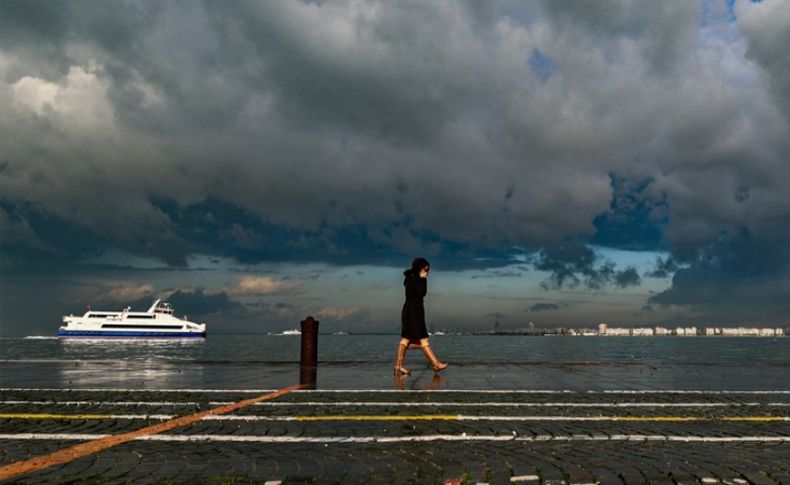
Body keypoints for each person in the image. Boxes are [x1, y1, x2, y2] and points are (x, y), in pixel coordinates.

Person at [394, 257, 448, 375]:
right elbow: (421, 293)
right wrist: (423, 279)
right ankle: (436, 364)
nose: (427, 272)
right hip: (413, 314)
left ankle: (399, 366)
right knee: (421, 339)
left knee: (407, 339)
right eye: (425, 269)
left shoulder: (412, 278)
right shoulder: (413, 279)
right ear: (419, 267)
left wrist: (422, 278)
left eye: (427, 270)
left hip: (413, 312)